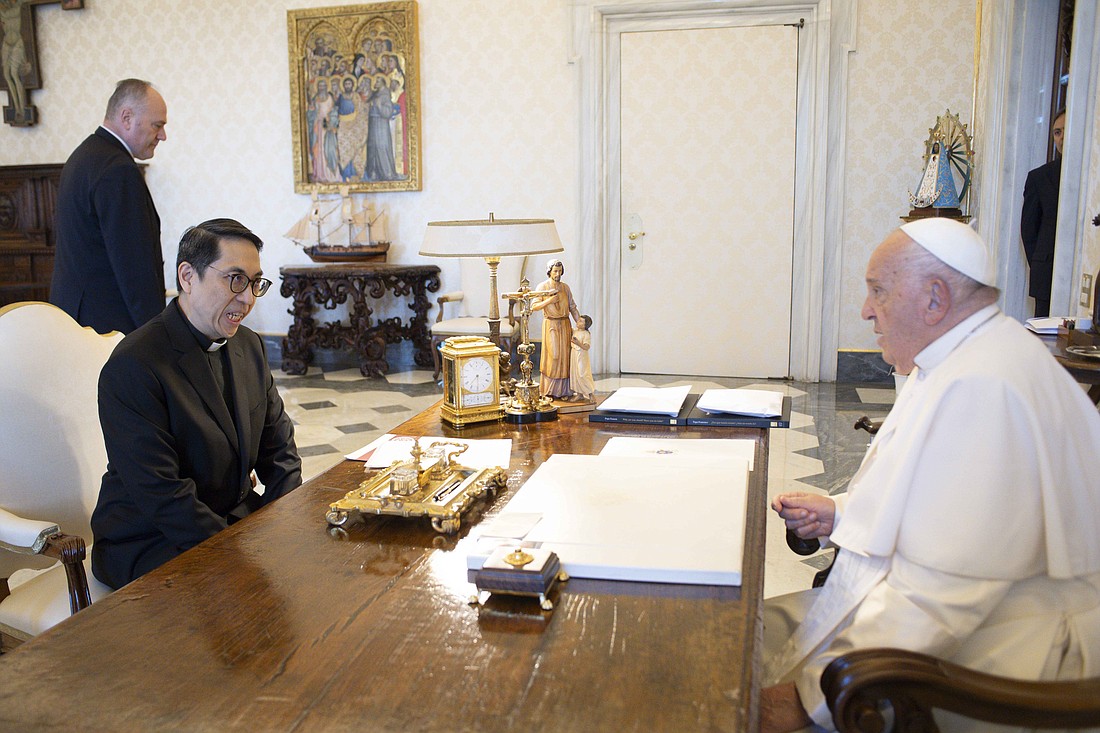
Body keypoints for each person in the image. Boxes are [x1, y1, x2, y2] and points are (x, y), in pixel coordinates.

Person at [761, 218, 1100, 733]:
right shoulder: (958, 358)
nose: (866, 310)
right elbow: (937, 505)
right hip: (966, 611)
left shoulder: (984, 385)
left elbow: (933, 601)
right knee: (735, 628)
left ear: (935, 298)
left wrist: (805, 700)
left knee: (731, 658)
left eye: (878, 291)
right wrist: (844, 513)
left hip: (1017, 652)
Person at [91, 218, 302, 590]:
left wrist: (279, 530)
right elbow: (163, 496)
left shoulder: (248, 346)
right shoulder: (135, 364)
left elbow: (281, 454)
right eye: (235, 279)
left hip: (232, 522)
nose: (248, 298)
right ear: (187, 276)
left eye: (255, 283)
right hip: (152, 539)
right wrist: (240, 554)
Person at [50, 78, 167, 334]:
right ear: (126, 117)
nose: (163, 135)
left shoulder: (86, 155)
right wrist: (156, 333)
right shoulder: (117, 170)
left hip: (77, 317)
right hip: (107, 325)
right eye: (157, 125)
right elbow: (134, 266)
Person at [1021, 108, 1065, 317]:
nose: (1062, 138)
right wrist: (1041, 263)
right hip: (1046, 274)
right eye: (1057, 132)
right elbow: (1029, 231)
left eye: (1066, 130)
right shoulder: (1039, 177)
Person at [531, 258, 581, 398]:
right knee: (554, 356)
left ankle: (565, 391)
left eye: (560, 271)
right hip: (551, 324)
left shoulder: (565, 287)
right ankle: (549, 390)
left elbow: (572, 307)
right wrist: (549, 300)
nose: (558, 274)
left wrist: (580, 323)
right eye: (555, 271)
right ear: (549, 272)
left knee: (565, 357)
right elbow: (534, 306)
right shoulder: (543, 287)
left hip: (565, 324)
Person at [568, 314, 594, 401]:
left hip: (581, 356)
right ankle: (579, 393)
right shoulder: (575, 331)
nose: (578, 322)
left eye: (581, 321)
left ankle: (590, 393)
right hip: (574, 354)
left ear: (585, 325)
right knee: (575, 374)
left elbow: (586, 347)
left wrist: (577, 343)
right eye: (578, 320)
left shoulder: (586, 334)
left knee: (582, 374)